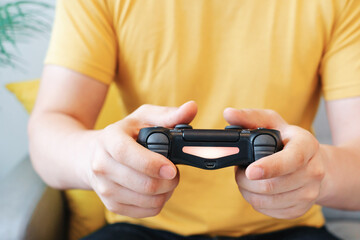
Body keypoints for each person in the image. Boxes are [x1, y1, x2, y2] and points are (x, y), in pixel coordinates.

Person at [28, 0, 360, 239]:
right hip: (141, 226)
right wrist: (94, 159)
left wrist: (320, 172)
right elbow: (49, 130)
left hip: (288, 227)